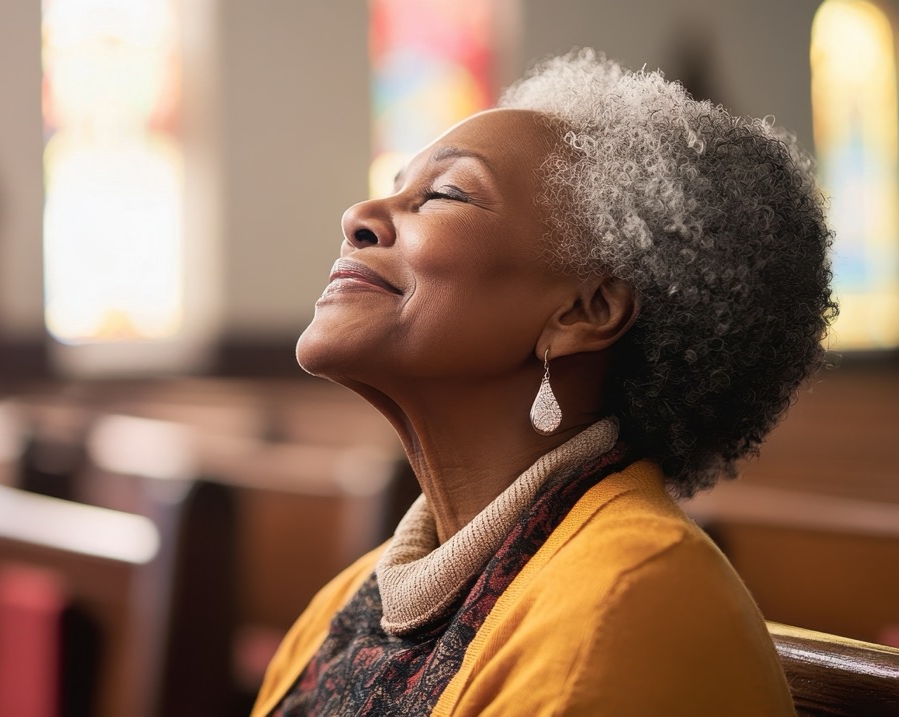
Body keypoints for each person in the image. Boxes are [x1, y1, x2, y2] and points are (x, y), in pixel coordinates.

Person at [252, 49, 834, 716]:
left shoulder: (624, 604)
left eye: (442, 194)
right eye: (393, 185)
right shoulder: (352, 598)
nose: (359, 214)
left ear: (585, 311)